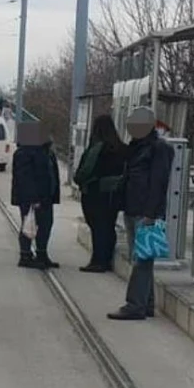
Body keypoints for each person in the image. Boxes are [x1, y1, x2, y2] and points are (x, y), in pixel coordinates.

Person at [109, 106, 174, 321]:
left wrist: (151, 213)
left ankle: (134, 305)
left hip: (146, 211)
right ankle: (147, 303)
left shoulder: (159, 148)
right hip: (132, 207)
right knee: (142, 257)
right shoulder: (136, 146)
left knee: (142, 260)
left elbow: (159, 182)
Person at [73, 115, 127, 272]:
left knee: (97, 227)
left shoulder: (97, 148)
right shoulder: (122, 148)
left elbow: (86, 170)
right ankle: (107, 259)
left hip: (95, 193)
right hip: (114, 194)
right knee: (109, 226)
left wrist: (78, 180)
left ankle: (98, 261)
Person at [11, 120, 60, 269]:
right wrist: (33, 198)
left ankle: (41, 254)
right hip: (32, 198)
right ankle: (25, 255)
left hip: (45, 196)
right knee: (30, 224)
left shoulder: (45, 152)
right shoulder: (24, 153)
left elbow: (50, 174)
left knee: (45, 225)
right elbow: (25, 178)